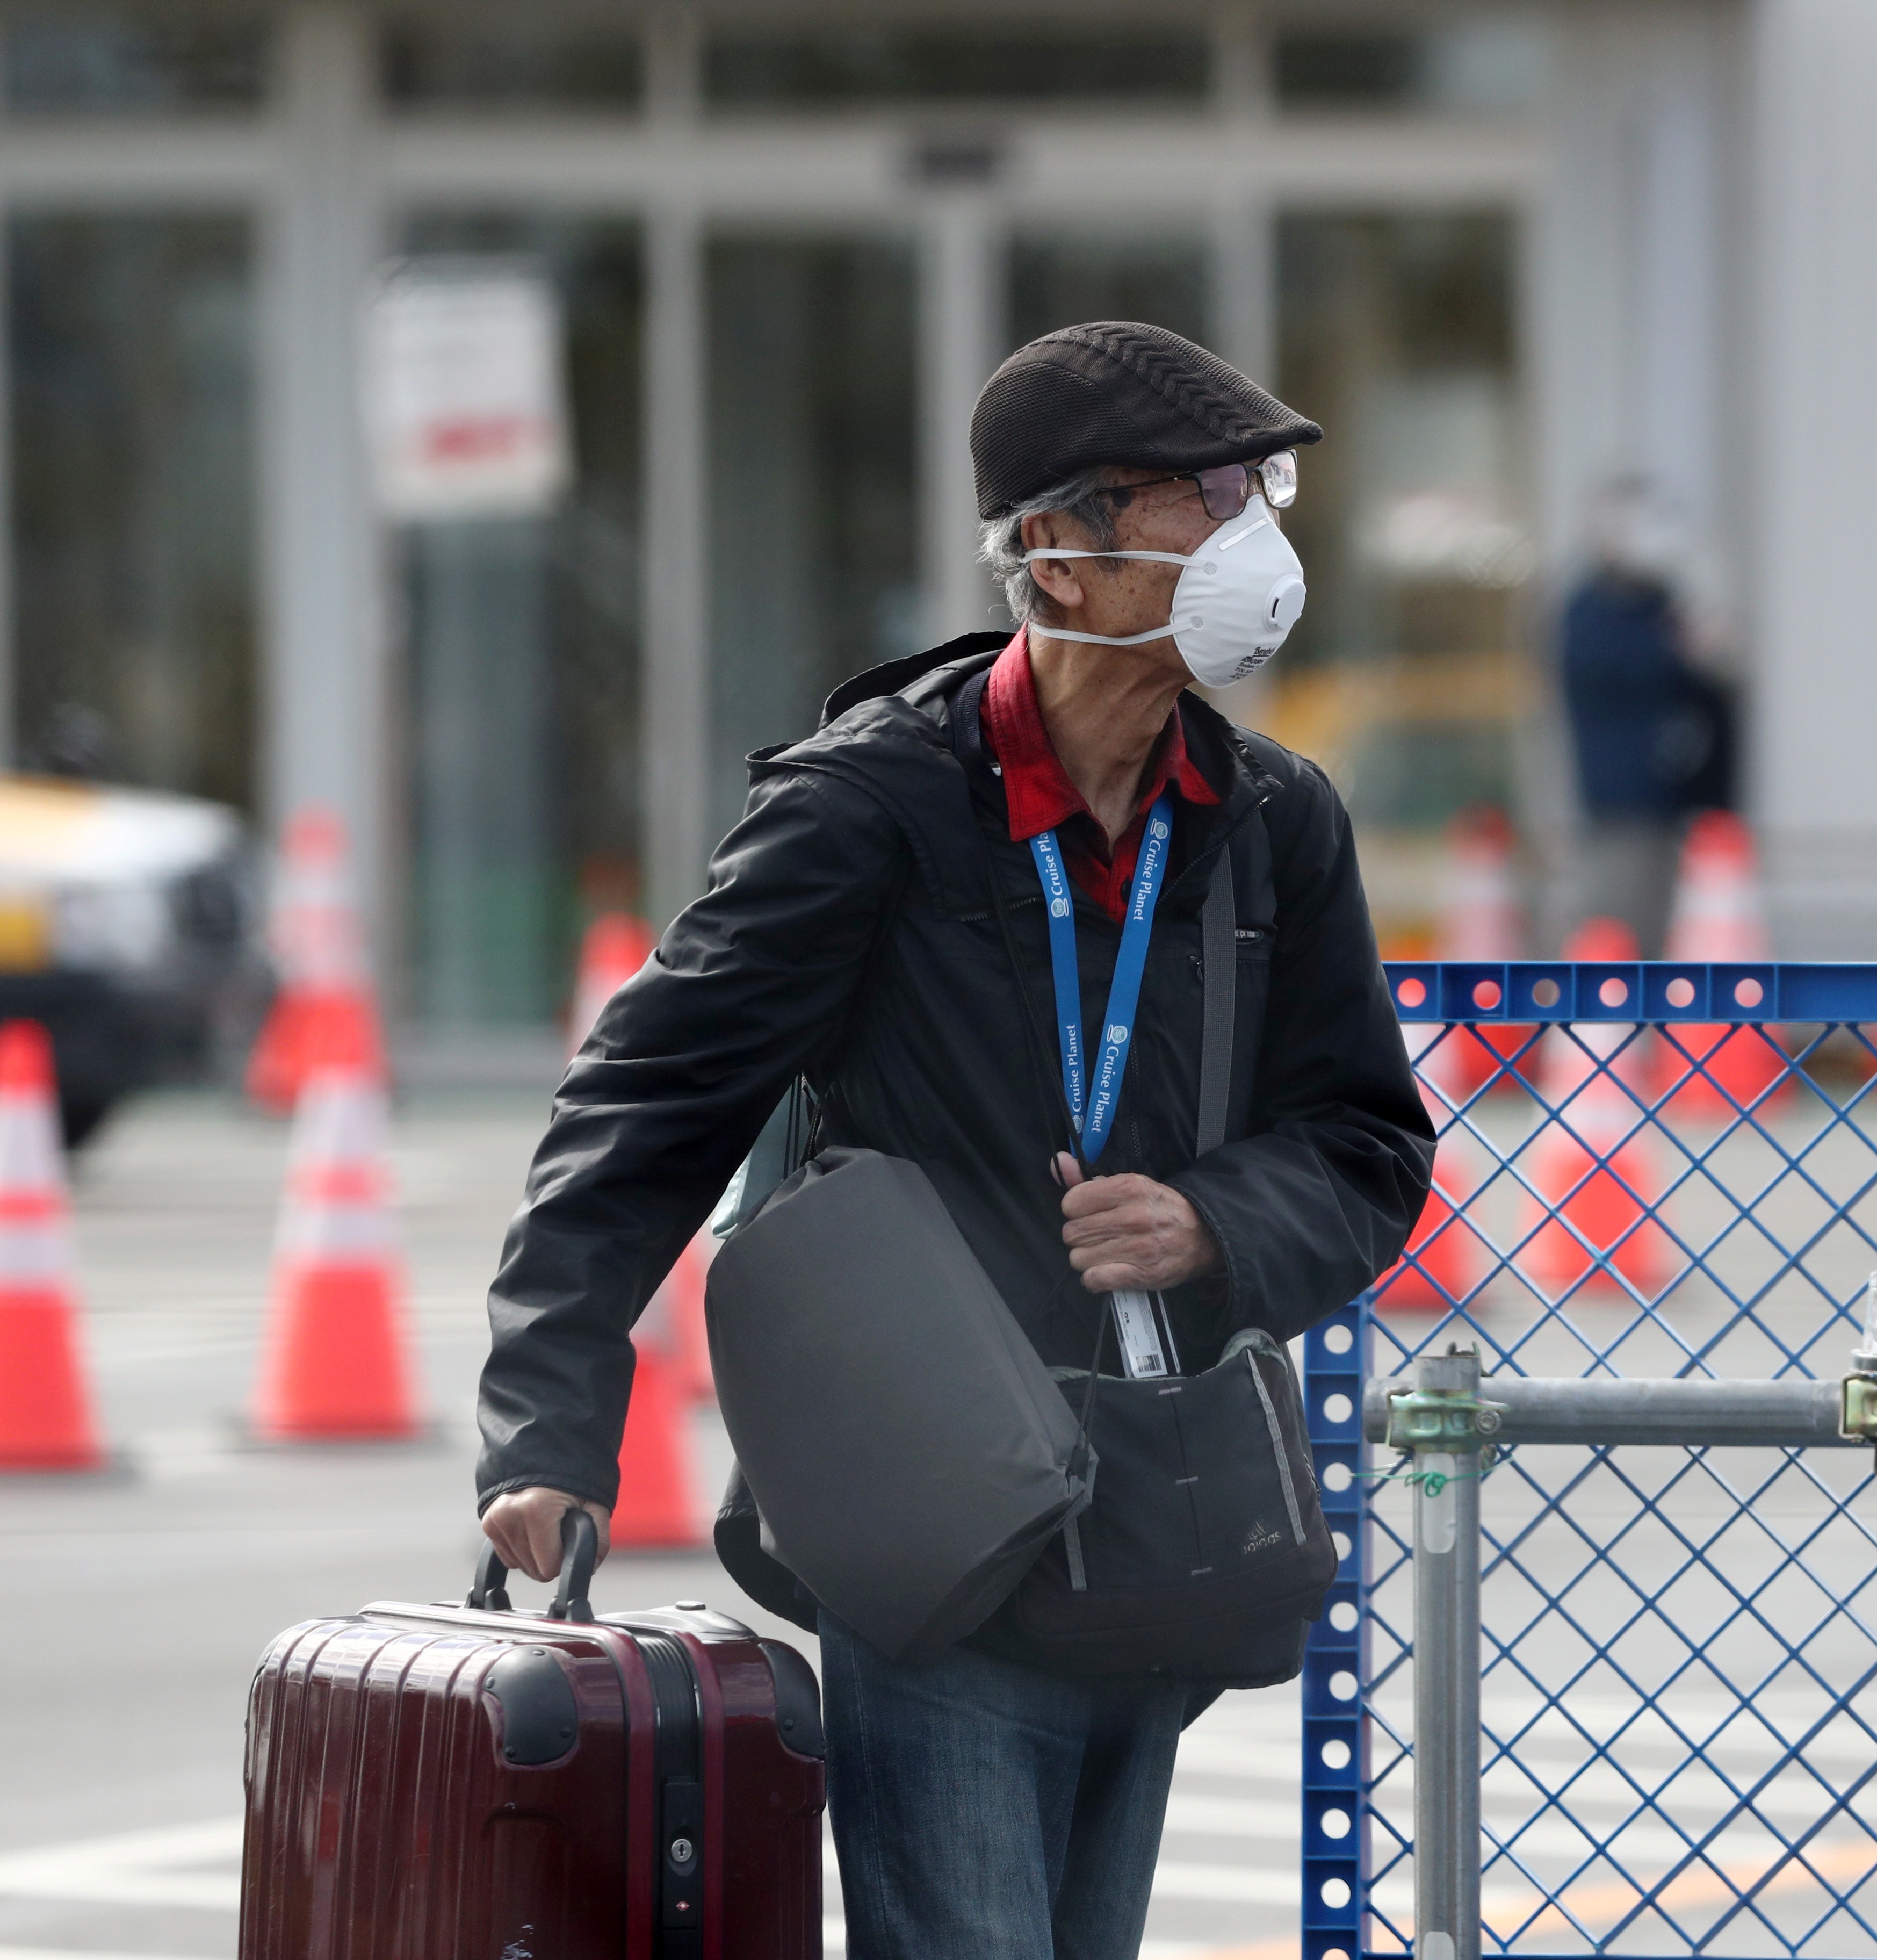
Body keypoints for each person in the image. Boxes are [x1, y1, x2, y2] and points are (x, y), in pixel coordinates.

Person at [472, 320, 1433, 1960]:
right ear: (1057, 551)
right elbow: (645, 1104)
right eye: (1200, 494)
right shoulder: (869, 809)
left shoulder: (1274, 824)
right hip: (934, 1517)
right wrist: (549, 1425)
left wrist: (1212, 1221)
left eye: (1256, 486)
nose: (1254, 530)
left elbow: (1364, 1139)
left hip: (1161, 1520)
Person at [1554, 477, 1736, 953]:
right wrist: (1678, 652)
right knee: (1617, 926)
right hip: (1621, 805)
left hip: (1670, 798)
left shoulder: (1658, 604)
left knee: (1657, 928)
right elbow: (1611, 673)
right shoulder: (1590, 611)